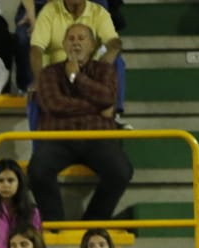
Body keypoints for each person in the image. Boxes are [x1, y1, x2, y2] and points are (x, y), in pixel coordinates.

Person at [30, 24, 134, 222]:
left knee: (121, 171)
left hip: (97, 138)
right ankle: (56, 226)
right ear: (63, 44)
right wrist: (96, 107)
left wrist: (76, 77)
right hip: (59, 138)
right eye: (71, 38)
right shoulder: (49, 73)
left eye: (81, 38)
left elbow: (108, 97)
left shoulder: (105, 71)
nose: (76, 42)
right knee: (38, 170)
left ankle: (92, 225)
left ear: (92, 44)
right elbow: (53, 105)